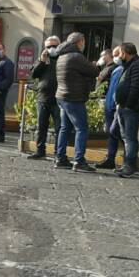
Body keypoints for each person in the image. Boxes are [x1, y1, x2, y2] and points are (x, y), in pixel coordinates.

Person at [54, 31, 101, 172]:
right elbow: (94, 72)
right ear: (79, 42)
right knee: (82, 129)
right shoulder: (76, 56)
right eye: (83, 42)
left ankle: (60, 158)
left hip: (62, 96)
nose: (84, 45)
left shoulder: (62, 56)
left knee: (65, 128)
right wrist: (96, 65)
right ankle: (79, 161)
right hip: (73, 97)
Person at [112, 42, 139, 178]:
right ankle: (127, 162)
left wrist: (129, 105)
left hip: (132, 108)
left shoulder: (138, 66)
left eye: (119, 53)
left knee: (130, 137)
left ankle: (129, 165)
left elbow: (136, 87)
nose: (118, 56)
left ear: (125, 53)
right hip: (124, 106)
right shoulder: (129, 65)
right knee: (119, 133)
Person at [28, 36, 61, 159]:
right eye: (49, 46)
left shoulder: (62, 59)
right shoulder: (41, 59)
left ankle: (59, 152)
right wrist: (42, 61)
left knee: (59, 127)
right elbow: (33, 74)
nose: (52, 48)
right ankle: (40, 150)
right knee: (41, 126)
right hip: (43, 98)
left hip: (58, 98)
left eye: (54, 46)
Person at [94, 47, 125, 169]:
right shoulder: (116, 70)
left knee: (123, 135)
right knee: (111, 134)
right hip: (110, 105)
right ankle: (110, 159)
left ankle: (128, 161)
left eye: (116, 54)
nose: (115, 57)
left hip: (119, 107)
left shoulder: (127, 69)